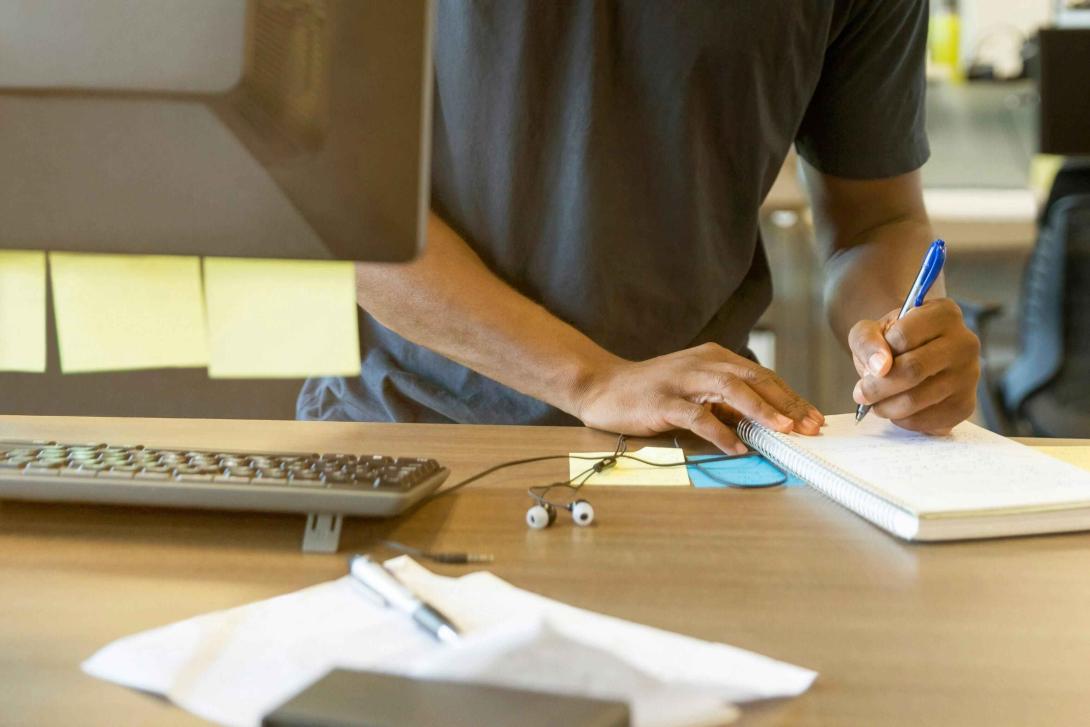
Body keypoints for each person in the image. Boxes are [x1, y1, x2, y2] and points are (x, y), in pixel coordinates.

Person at [298, 0, 981, 453]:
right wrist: (591, 378)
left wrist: (903, 340)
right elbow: (342, 201)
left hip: (690, 452)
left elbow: (876, 219)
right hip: (414, 437)